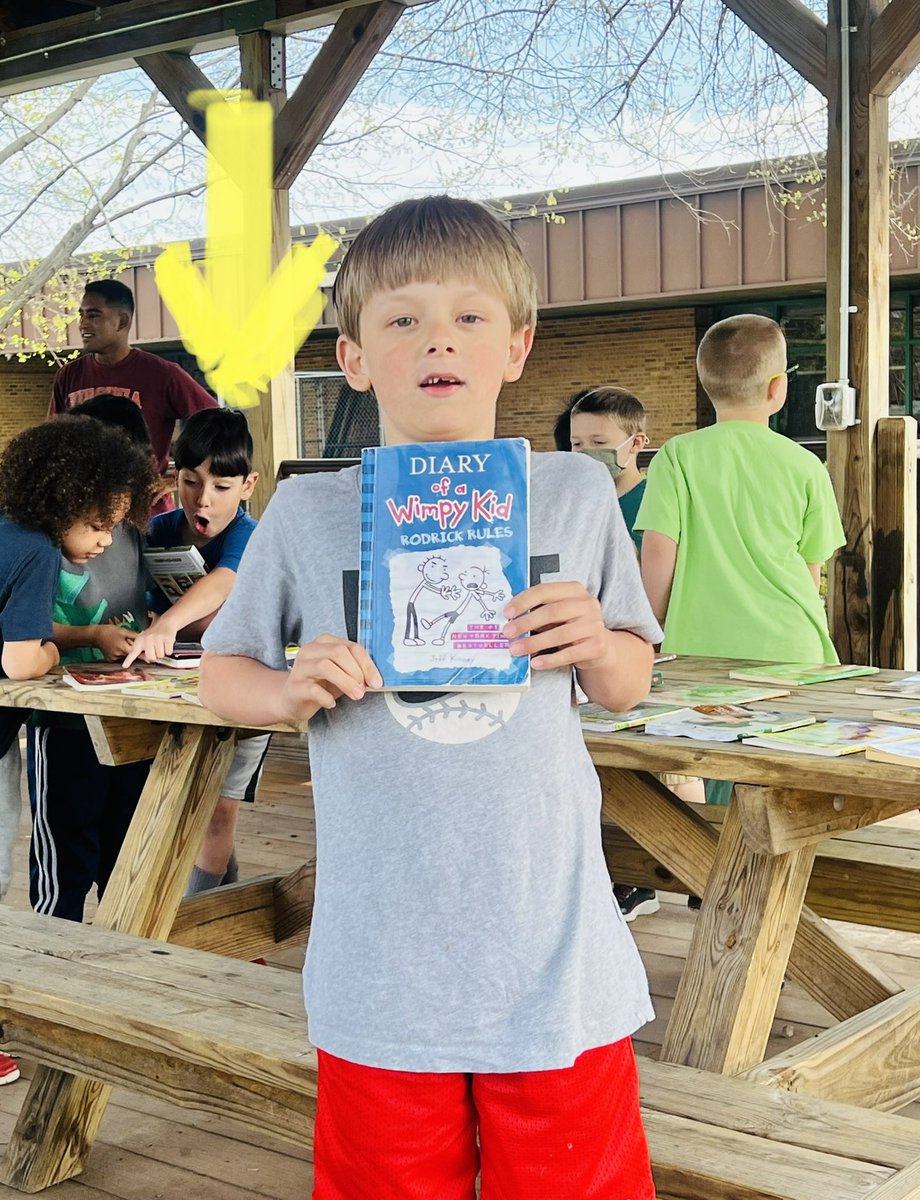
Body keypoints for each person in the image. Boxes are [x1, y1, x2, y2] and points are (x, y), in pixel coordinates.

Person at [198, 195, 662, 1200]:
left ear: (517, 347)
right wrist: (286, 691)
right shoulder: (310, 510)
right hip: (380, 966)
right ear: (353, 357)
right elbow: (219, 671)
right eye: (401, 319)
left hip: (555, 959)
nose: (435, 340)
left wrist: (593, 641)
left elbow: (628, 683)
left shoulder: (575, 494)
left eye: (468, 316)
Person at [635, 313, 845, 807]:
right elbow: (811, 570)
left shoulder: (677, 457)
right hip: (792, 650)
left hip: (699, 650)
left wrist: (651, 631)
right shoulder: (805, 463)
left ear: (705, 384)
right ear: (778, 388)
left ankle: (710, 877)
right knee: (782, 786)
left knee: (712, 777)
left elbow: (658, 559)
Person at [124, 408, 270, 894]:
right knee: (183, 802)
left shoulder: (252, 536)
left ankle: (197, 916)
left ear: (248, 485)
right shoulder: (157, 530)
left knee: (219, 806)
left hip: (244, 688)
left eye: (222, 488)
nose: (202, 499)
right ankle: (223, 916)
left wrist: (167, 621)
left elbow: (223, 583)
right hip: (173, 691)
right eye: (190, 482)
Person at [26, 412, 157, 923]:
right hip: (61, 724)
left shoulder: (130, 531)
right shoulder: (33, 544)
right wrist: (93, 636)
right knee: (65, 863)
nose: (107, 536)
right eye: (100, 523)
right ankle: (51, 964)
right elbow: (19, 632)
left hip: (130, 715)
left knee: (125, 856)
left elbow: (138, 603)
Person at [48, 278, 218, 513]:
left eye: (94, 315)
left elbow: (217, 425)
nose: (83, 324)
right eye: (82, 315)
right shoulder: (68, 376)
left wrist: (178, 476)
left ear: (123, 321)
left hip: (144, 515)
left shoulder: (162, 374)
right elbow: (52, 441)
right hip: (82, 514)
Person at [569, 385, 650, 553]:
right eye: (577, 443)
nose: (586, 452)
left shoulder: (654, 502)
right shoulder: (572, 503)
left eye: (599, 443)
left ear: (636, 443)